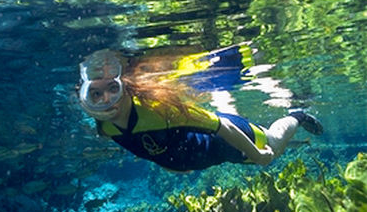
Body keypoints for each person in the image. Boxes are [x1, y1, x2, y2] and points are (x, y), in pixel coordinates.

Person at [78, 45, 323, 172]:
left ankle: (297, 115)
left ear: (125, 87)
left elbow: (222, 127)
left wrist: (259, 156)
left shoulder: (159, 110)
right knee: (227, 117)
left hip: (228, 143)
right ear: (84, 99)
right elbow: (143, 144)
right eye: (95, 94)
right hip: (209, 151)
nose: (106, 100)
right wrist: (170, 164)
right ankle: (225, 100)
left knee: (274, 144)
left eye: (112, 89)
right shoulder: (105, 128)